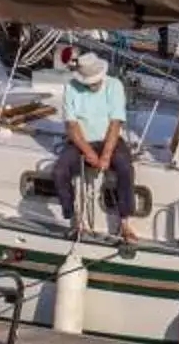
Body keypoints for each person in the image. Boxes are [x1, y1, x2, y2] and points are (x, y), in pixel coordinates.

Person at [55, 50, 139, 246]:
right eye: (89, 82)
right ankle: (72, 217)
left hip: (109, 139)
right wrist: (89, 152)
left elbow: (115, 123)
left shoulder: (114, 86)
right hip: (81, 141)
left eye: (95, 81)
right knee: (60, 171)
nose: (93, 85)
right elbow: (72, 126)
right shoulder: (71, 88)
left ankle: (125, 221)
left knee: (125, 168)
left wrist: (106, 155)